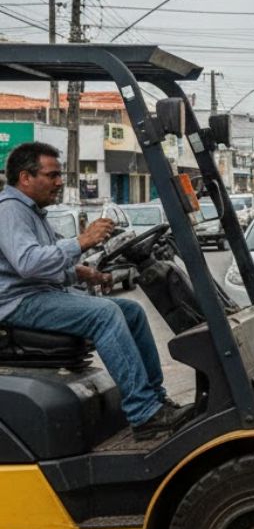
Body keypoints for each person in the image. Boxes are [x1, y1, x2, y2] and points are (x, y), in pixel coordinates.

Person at [0, 142, 187, 440]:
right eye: (52, 175)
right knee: (106, 313)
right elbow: (28, 263)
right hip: (19, 303)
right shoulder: (10, 211)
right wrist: (83, 241)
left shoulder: (33, 213)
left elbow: (46, 259)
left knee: (132, 312)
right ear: (25, 178)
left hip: (39, 294)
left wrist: (83, 271)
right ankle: (144, 413)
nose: (59, 182)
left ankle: (155, 398)